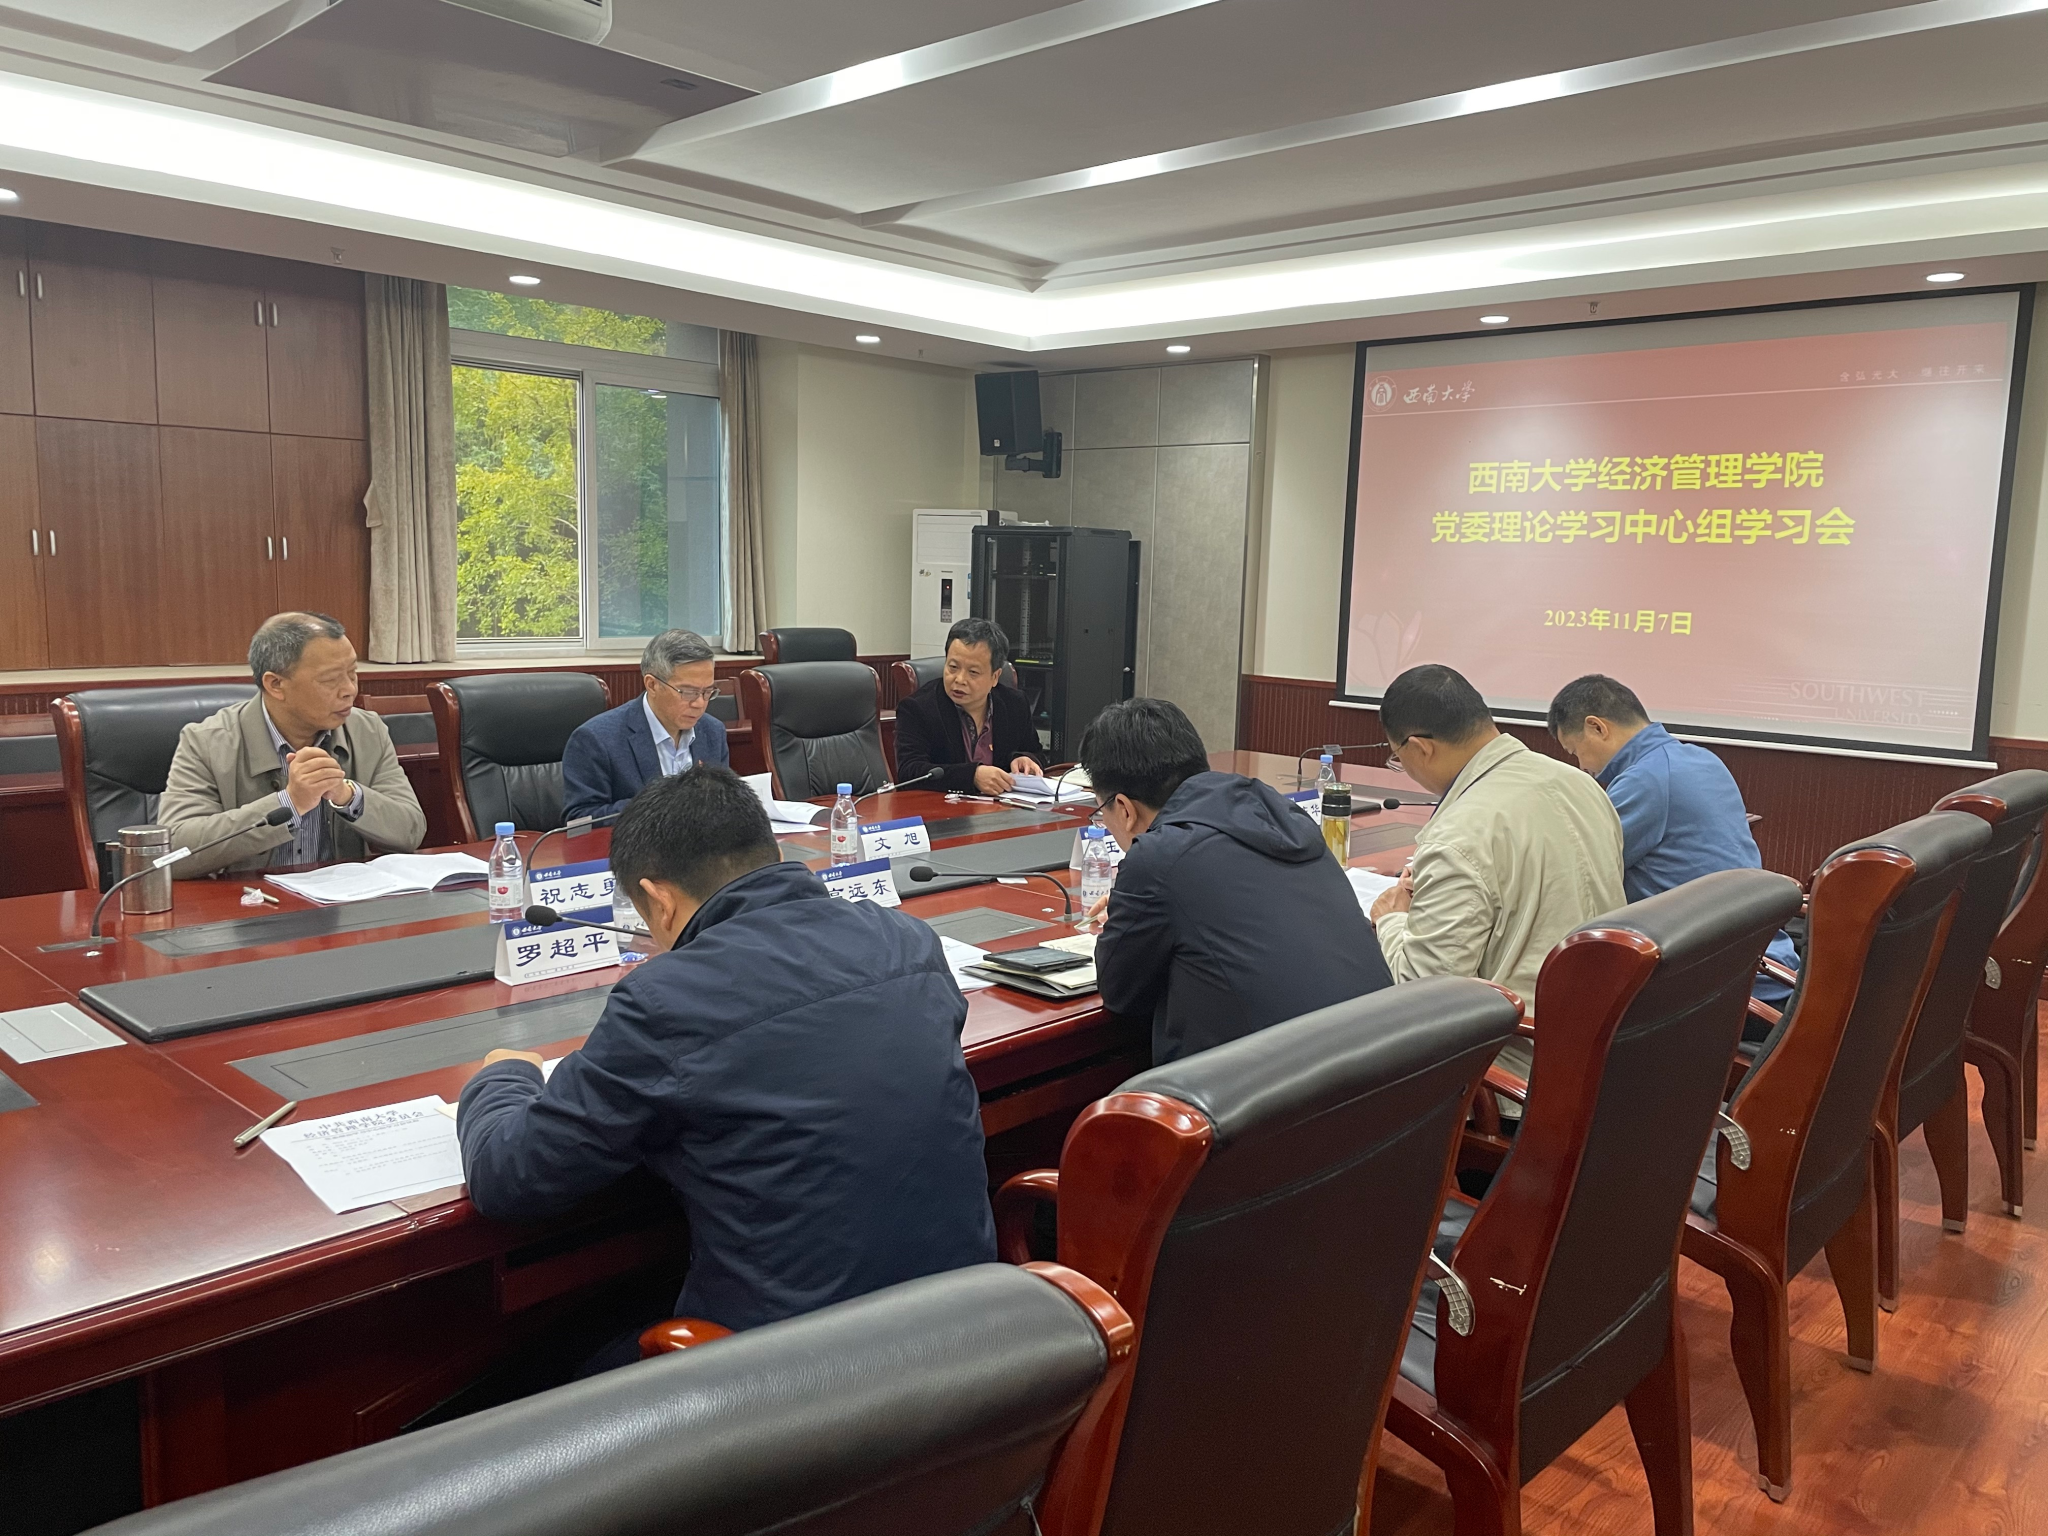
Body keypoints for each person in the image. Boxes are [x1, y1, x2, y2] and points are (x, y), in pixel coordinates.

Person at [457, 764, 996, 1353]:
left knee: (541, 1361)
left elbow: (509, 1177)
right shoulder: (907, 939)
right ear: (771, 853)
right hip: (973, 1332)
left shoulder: (667, 999)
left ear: (658, 900)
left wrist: (504, 1075)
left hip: (795, 1372)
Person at [1083, 696, 1393, 1065]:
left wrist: (1131, 915)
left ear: (1123, 808)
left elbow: (1120, 993)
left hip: (1276, 1088)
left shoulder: (1158, 857)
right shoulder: (1284, 816)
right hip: (1382, 1069)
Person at [1367, 665, 1624, 1065]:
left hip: (1519, 1064)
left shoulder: (1458, 835)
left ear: (1420, 748)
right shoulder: (1582, 784)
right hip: (1607, 1038)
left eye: (1398, 757)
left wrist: (1391, 920)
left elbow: (1424, 1000)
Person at [1548, 673, 1798, 1011]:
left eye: (1575, 751)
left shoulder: (1644, 780)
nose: (1582, 766)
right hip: (1766, 962)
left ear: (1597, 728)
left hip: (1720, 988)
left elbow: (1580, 869)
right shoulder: (1702, 759)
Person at [158, 612, 426, 878]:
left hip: (343, 897)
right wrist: (290, 802)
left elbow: (411, 831)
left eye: (352, 673)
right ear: (276, 684)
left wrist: (347, 795)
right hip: (252, 900)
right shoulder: (207, 742)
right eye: (330, 679)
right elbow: (174, 853)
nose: (349, 690)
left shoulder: (367, 730)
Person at [561, 629, 730, 822]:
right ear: (652, 685)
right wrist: (669, 803)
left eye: (707, 692)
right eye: (688, 692)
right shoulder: (595, 739)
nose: (699, 703)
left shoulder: (712, 732)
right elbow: (579, 820)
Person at [893, 616, 1044, 796]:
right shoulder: (917, 709)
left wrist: (1025, 759)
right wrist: (972, 776)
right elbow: (909, 773)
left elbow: (1037, 754)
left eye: (973, 672)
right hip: (943, 810)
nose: (959, 679)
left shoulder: (1014, 704)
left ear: (995, 677)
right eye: (953, 667)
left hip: (1005, 809)